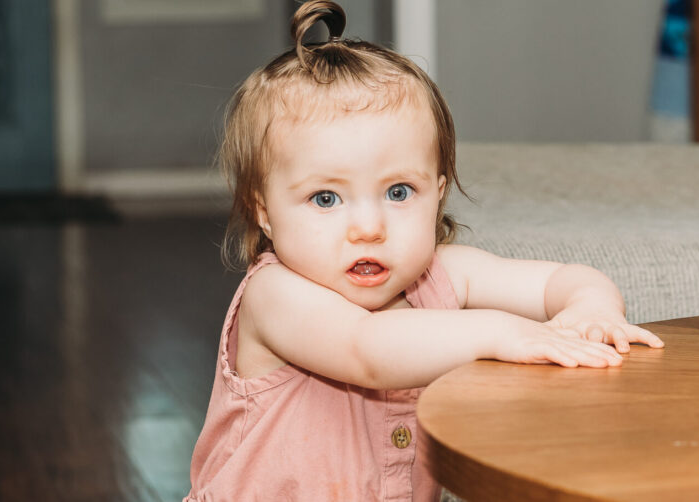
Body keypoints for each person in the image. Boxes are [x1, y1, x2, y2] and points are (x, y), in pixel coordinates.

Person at [184, 2, 664, 501]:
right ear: (264, 212)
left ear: (437, 193)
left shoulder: (443, 274)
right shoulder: (275, 295)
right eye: (325, 198)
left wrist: (591, 307)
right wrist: (502, 331)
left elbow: (561, 280)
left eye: (398, 192)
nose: (369, 228)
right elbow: (367, 350)